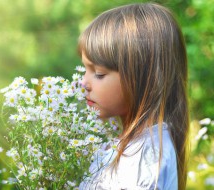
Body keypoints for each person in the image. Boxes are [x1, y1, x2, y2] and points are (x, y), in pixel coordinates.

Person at [78, 3, 189, 190]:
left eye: (98, 73)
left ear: (142, 78)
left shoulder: (146, 159)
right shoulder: (134, 146)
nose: (83, 83)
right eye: (85, 69)